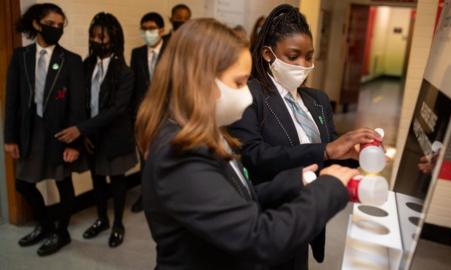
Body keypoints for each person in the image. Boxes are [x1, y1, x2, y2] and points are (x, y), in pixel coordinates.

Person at [136, 18, 359, 270]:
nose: (246, 93)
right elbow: (259, 239)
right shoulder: (178, 152)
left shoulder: (209, 133)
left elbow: (234, 197)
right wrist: (329, 188)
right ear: (201, 80)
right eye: (239, 83)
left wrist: (293, 180)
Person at [228, 5, 382, 270]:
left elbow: (331, 154)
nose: (303, 65)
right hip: (269, 217)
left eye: (309, 57)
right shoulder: (250, 96)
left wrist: (356, 155)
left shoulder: (318, 100)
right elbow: (254, 154)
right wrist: (326, 150)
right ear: (268, 54)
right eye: (293, 56)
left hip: (307, 215)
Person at [4, 3, 86, 256]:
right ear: (37, 24)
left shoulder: (71, 60)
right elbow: (12, 100)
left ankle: (61, 233)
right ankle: (46, 225)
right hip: (30, 131)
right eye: (51, 24)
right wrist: (10, 137)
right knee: (23, 184)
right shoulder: (20, 57)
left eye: (60, 25)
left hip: (60, 133)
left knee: (63, 183)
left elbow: (78, 106)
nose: (56, 29)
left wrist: (74, 142)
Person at [56, 12, 137, 248]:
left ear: (113, 39)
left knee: (117, 181)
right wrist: (86, 134)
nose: (96, 41)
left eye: (102, 37)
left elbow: (116, 109)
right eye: (93, 36)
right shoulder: (86, 64)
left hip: (115, 137)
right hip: (92, 137)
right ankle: (102, 219)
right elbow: (81, 101)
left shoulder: (125, 72)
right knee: (97, 180)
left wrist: (80, 129)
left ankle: (118, 224)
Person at [129, 12, 166, 213]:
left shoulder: (171, 52)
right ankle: (145, 195)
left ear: (161, 30)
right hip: (144, 115)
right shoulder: (136, 53)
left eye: (151, 29)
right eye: (144, 29)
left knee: (165, 155)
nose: (147, 33)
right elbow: (134, 87)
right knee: (145, 156)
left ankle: (164, 195)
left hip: (166, 115)